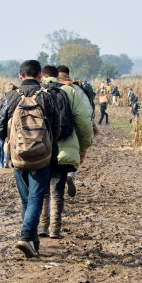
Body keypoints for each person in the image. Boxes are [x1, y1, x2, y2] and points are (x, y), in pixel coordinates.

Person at [0, 59, 60, 258]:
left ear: (20, 76)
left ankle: (32, 240)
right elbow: (57, 126)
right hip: (42, 156)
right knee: (36, 199)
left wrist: (9, 141)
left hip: (18, 157)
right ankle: (26, 237)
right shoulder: (47, 97)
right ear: (40, 76)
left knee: (26, 201)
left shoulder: (10, 96)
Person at [38, 65, 93, 239]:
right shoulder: (70, 93)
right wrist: (82, 148)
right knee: (57, 190)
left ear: (42, 77)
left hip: (40, 148)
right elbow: (84, 123)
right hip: (64, 148)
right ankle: (55, 229)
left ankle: (42, 227)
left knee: (43, 189)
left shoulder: (36, 92)